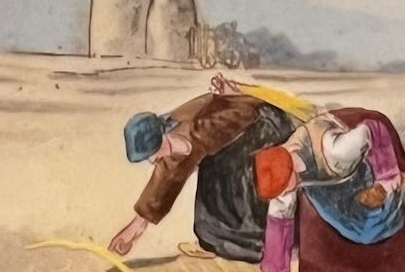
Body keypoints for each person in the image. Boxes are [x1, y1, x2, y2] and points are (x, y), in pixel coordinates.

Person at [251, 107, 405, 272]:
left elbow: (374, 130)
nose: (282, 195)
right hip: (333, 179)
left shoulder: (337, 152)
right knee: (323, 218)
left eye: (284, 188)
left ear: (292, 170)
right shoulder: (281, 172)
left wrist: (386, 177)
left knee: (385, 218)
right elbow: (280, 219)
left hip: (371, 151)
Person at [108, 76, 295, 261]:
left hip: (266, 127)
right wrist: (134, 230)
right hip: (237, 134)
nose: (151, 160)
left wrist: (232, 97)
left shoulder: (202, 128)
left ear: (161, 138)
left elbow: (247, 111)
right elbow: (165, 181)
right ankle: (213, 242)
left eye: (152, 153)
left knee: (227, 169)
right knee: (215, 167)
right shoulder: (172, 140)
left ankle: (253, 243)